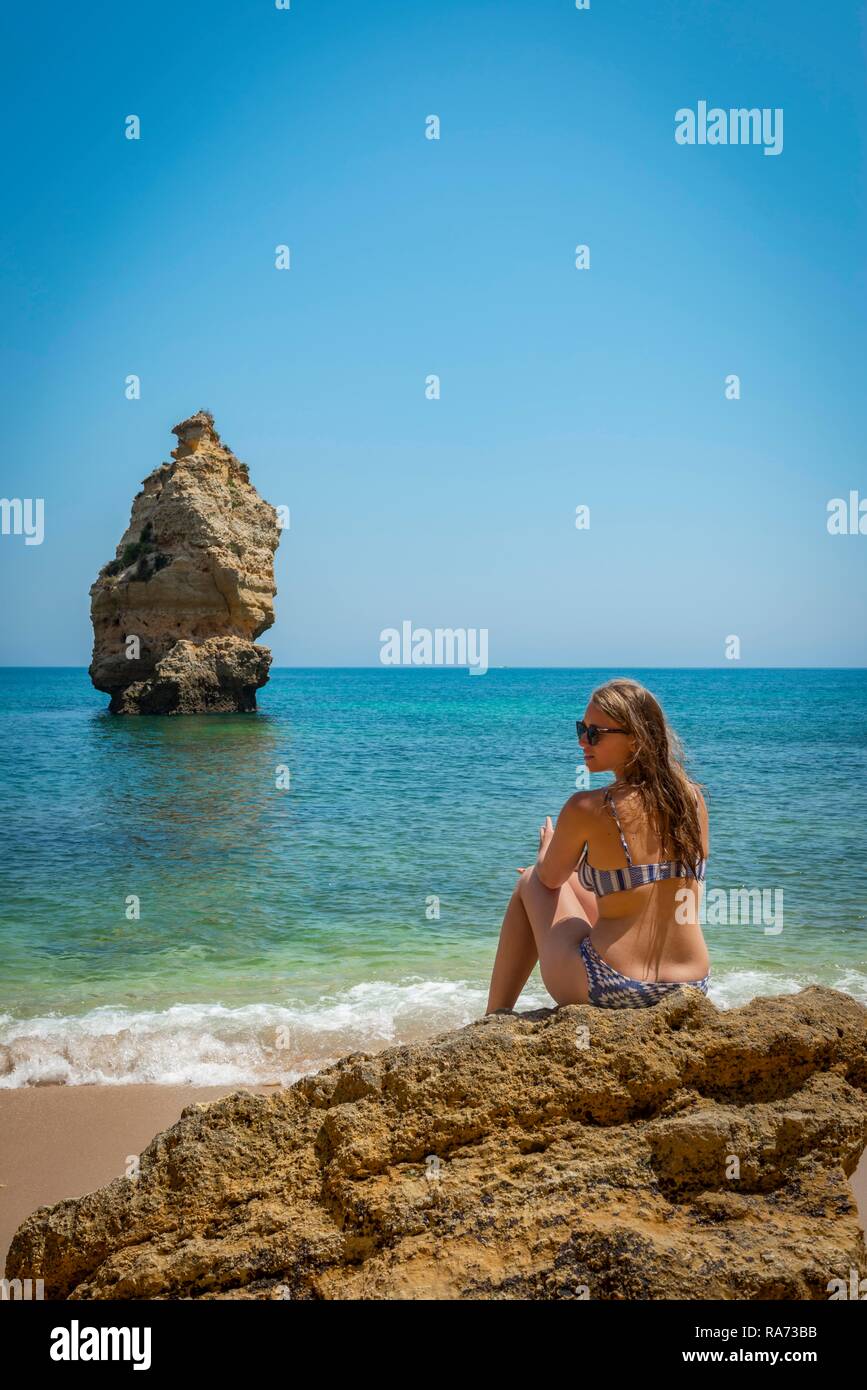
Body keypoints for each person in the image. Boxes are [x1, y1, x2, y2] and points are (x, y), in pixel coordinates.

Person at [485, 677, 711, 1011]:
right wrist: (581, 869)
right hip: (691, 984)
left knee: (530, 880)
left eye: (595, 734)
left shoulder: (588, 806)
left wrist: (546, 851)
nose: (582, 742)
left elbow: (548, 880)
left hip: (615, 985)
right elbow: (646, 882)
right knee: (577, 885)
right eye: (581, 729)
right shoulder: (692, 798)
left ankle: (494, 1016)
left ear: (636, 738)